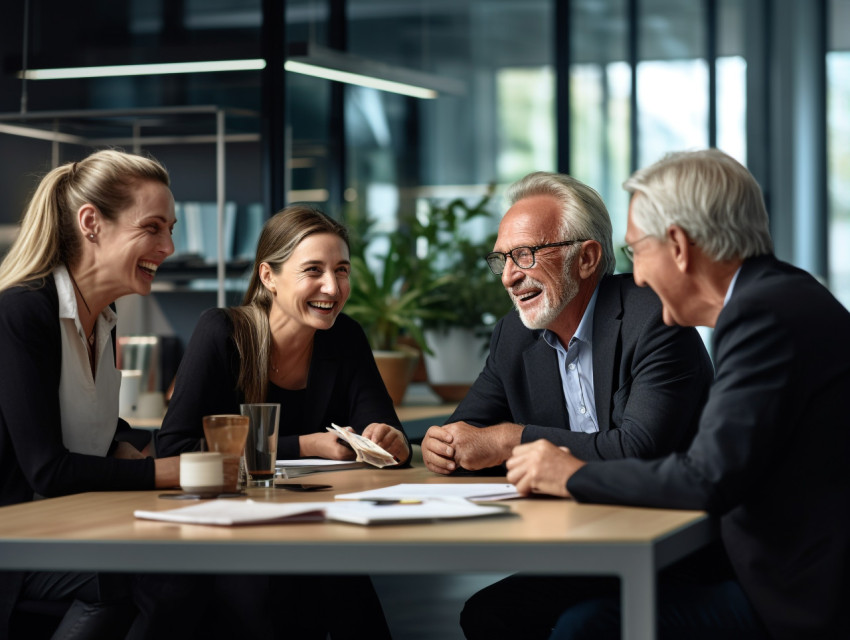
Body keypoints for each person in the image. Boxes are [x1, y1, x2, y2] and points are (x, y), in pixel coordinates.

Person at [506, 149, 850, 639]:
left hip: (802, 602)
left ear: (679, 246)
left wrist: (574, 475)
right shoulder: (784, 295)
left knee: (588, 628)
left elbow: (707, 478)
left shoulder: (760, 317)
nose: (638, 276)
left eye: (636, 252)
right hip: (797, 578)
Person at [425, 171, 713, 639]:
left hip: (675, 548)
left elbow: (639, 448)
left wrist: (511, 440)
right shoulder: (513, 336)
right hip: (582, 543)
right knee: (488, 614)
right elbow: (468, 430)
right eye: (501, 260)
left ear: (587, 258)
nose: (511, 276)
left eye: (525, 255)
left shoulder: (655, 317)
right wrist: (444, 445)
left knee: (577, 628)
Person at [156, 204, 409, 639]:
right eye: (313, 270)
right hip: (229, 534)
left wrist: (389, 440)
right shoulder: (222, 332)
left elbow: (380, 426)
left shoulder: (344, 337)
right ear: (268, 277)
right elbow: (175, 448)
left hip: (318, 526)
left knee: (346, 592)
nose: (332, 286)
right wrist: (304, 445)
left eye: (342, 270)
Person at [0, 149, 185, 638]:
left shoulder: (102, 317)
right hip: (14, 540)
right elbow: (47, 467)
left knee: (192, 567)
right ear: (91, 223)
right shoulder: (21, 312)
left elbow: (88, 424)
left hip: (66, 522)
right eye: (152, 227)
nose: (168, 245)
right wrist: (162, 472)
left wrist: (143, 446)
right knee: (150, 578)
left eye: (171, 228)